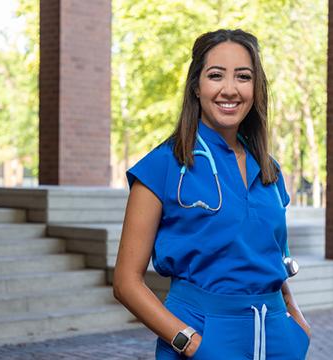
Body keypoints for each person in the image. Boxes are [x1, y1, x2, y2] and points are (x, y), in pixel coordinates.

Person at [113, 29, 311, 360]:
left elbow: (270, 258)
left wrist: (297, 327)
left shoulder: (269, 171)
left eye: (243, 77)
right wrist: (189, 343)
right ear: (196, 86)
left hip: (277, 339)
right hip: (204, 339)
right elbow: (126, 283)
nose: (230, 89)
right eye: (216, 75)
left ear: (255, 88)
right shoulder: (162, 166)